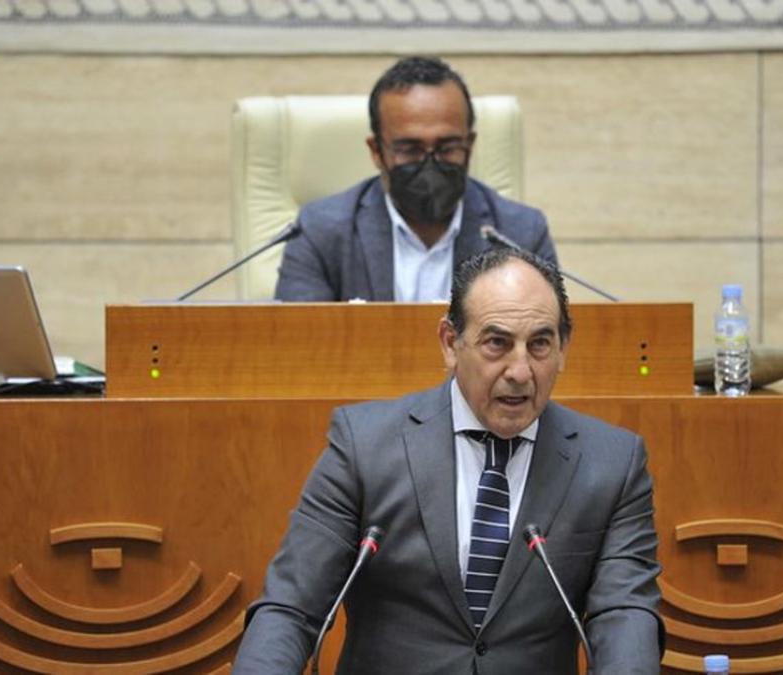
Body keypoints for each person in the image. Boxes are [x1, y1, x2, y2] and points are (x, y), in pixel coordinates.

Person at [236, 248, 662, 674]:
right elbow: (292, 607)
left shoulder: (611, 464)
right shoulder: (364, 446)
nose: (520, 370)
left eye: (539, 345)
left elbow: (624, 616)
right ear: (450, 343)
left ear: (563, 348)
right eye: (497, 343)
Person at [274, 56, 558, 302]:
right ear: (377, 151)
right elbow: (297, 347)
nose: (429, 164)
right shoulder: (320, 231)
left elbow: (549, 348)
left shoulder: (519, 235)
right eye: (410, 149)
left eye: (447, 148)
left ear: (469, 146)